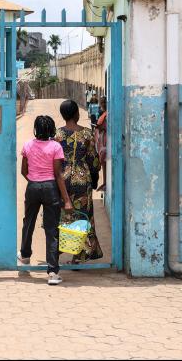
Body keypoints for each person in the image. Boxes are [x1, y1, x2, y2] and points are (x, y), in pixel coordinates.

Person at [18, 115, 73, 285]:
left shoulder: (27, 145)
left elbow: (23, 171)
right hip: (50, 188)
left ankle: (25, 256)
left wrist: (35, 182)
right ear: (51, 129)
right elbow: (58, 175)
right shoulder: (55, 147)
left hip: (33, 187)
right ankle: (53, 273)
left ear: (36, 129)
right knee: (51, 229)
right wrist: (67, 200)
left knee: (29, 222)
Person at [54, 100, 103, 263]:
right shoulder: (88, 133)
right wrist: (94, 179)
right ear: (77, 113)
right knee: (84, 217)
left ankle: (59, 249)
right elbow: (93, 160)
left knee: (64, 216)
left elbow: (54, 160)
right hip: (83, 180)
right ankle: (79, 256)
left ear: (62, 115)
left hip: (63, 180)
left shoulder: (58, 134)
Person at [95, 96, 108, 191]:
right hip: (104, 143)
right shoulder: (105, 115)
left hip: (104, 143)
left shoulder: (105, 116)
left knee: (104, 164)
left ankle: (105, 183)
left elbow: (99, 126)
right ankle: (105, 183)